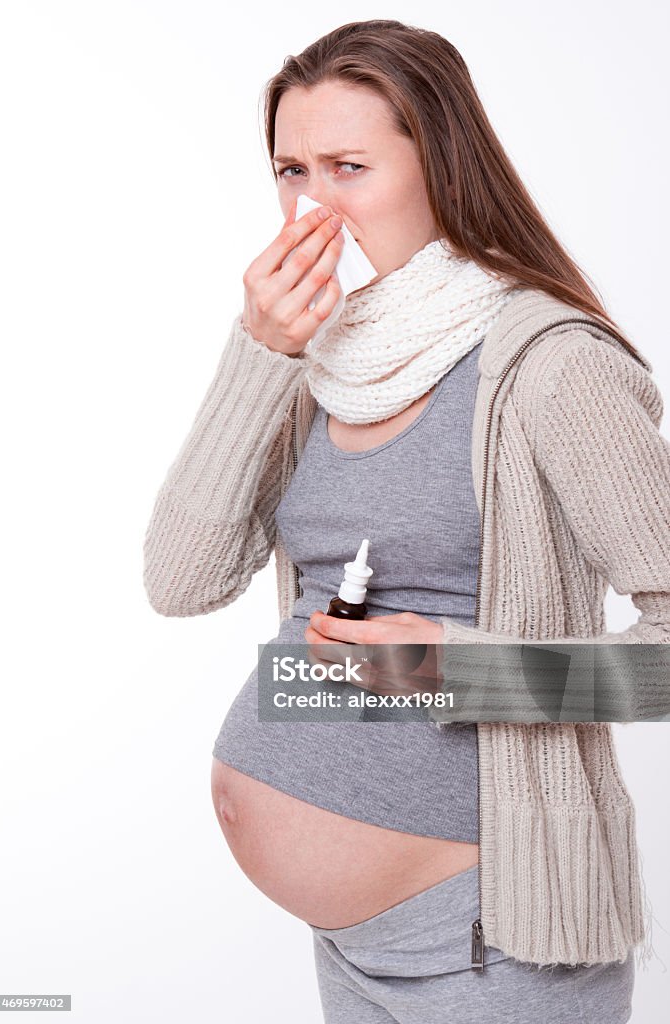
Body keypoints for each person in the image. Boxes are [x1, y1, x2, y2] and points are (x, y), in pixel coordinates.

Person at [142, 19, 670, 1024]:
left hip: (488, 941)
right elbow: (181, 582)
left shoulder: (549, 366)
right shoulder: (317, 365)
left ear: (439, 164)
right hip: (346, 944)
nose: (311, 206)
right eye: (290, 170)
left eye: (348, 166)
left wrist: (450, 667)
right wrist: (259, 352)